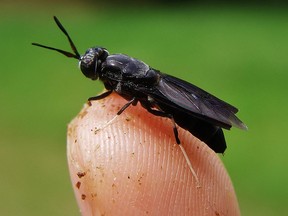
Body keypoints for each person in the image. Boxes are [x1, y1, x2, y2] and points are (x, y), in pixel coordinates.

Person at [67, 93, 240, 215]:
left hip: (186, 113)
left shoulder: (128, 82)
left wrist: (106, 125)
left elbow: (130, 100)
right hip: (165, 87)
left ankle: (185, 158)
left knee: (171, 114)